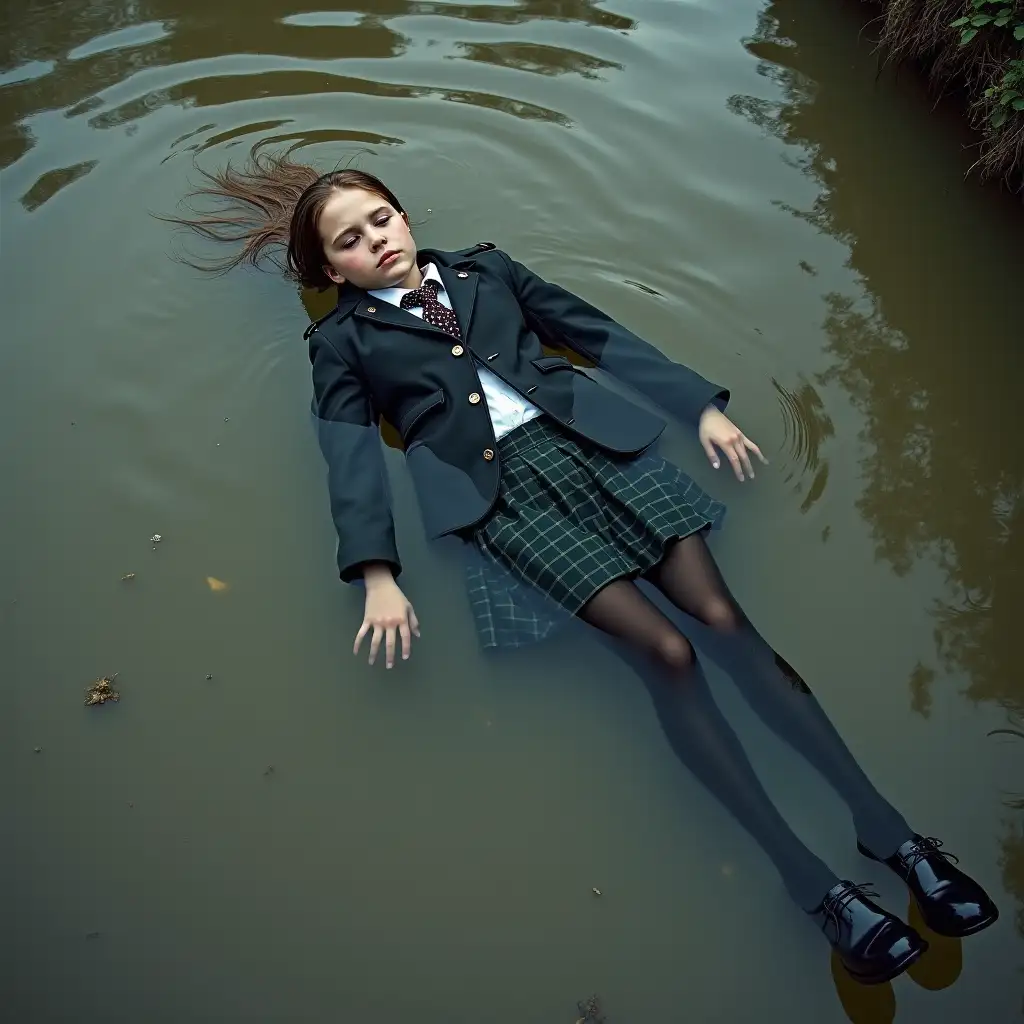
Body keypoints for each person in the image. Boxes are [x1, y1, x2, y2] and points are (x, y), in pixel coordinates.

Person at [171, 151, 998, 984]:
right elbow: (348, 457)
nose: (375, 241)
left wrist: (698, 407)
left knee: (721, 622)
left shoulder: (486, 269)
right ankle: (814, 884)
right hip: (501, 499)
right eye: (348, 241)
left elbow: (594, 331)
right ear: (329, 271)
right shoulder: (340, 342)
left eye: (380, 218)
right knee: (666, 656)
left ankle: (890, 832)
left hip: (603, 451)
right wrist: (377, 574)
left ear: (403, 214)